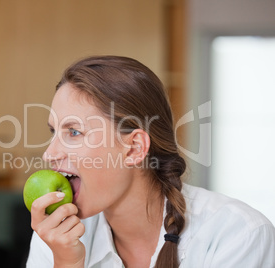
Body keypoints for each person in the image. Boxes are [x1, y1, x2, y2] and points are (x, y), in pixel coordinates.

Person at [26, 55, 275, 268]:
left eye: (74, 132)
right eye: (54, 132)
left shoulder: (238, 236)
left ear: (134, 148)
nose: (50, 153)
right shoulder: (56, 238)